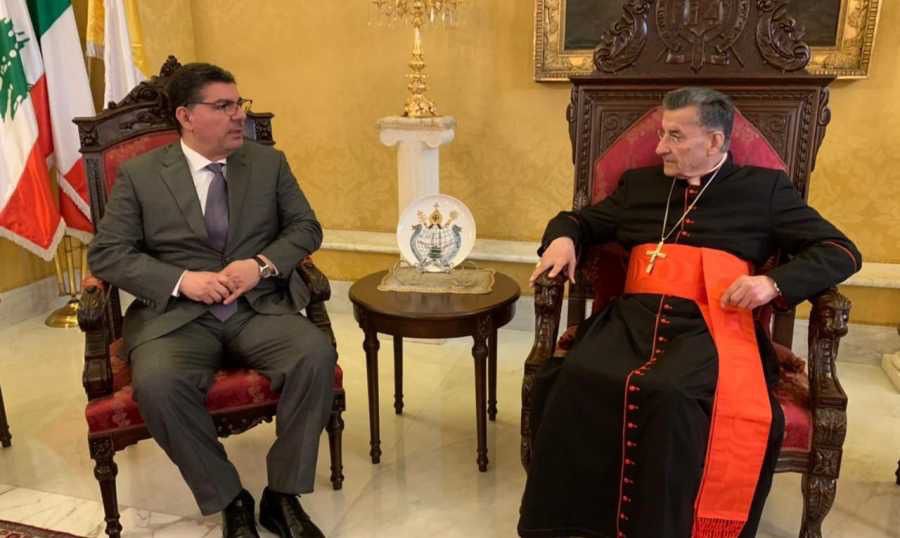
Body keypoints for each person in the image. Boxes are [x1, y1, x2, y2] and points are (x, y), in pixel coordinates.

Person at [517, 87, 861, 538]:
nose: (660, 147)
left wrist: (773, 284)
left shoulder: (765, 191)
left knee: (670, 392)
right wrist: (563, 239)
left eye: (675, 136)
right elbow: (579, 221)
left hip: (714, 327)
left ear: (715, 141)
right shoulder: (640, 186)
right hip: (631, 319)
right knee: (576, 377)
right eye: (662, 133)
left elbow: (840, 250)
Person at [88, 63, 335, 538]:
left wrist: (260, 265)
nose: (238, 115)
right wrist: (182, 280)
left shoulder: (268, 164)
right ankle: (229, 499)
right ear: (186, 116)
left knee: (314, 354)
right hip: (176, 316)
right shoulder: (141, 175)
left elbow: (306, 228)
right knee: (158, 384)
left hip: (256, 307)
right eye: (223, 106)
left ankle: (282, 495)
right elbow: (108, 253)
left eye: (239, 104)